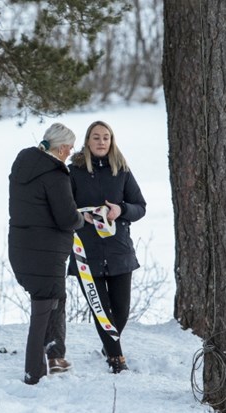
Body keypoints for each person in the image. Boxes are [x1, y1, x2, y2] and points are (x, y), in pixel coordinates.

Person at [8, 122, 84, 385]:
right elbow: (65, 218)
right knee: (43, 312)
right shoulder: (55, 174)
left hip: (21, 249)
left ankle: (57, 362)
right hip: (46, 253)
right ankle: (33, 373)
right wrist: (80, 219)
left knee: (56, 305)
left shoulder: (23, 165)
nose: (71, 153)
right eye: (71, 149)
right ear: (62, 148)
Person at [68, 120, 147, 374]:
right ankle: (116, 359)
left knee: (120, 312)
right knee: (101, 309)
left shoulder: (121, 170)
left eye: (106, 137)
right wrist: (82, 216)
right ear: (87, 142)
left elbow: (140, 207)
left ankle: (109, 345)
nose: (101, 142)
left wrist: (120, 210)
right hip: (85, 254)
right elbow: (63, 209)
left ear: (111, 142)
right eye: (96, 137)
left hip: (119, 252)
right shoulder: (74, 172)